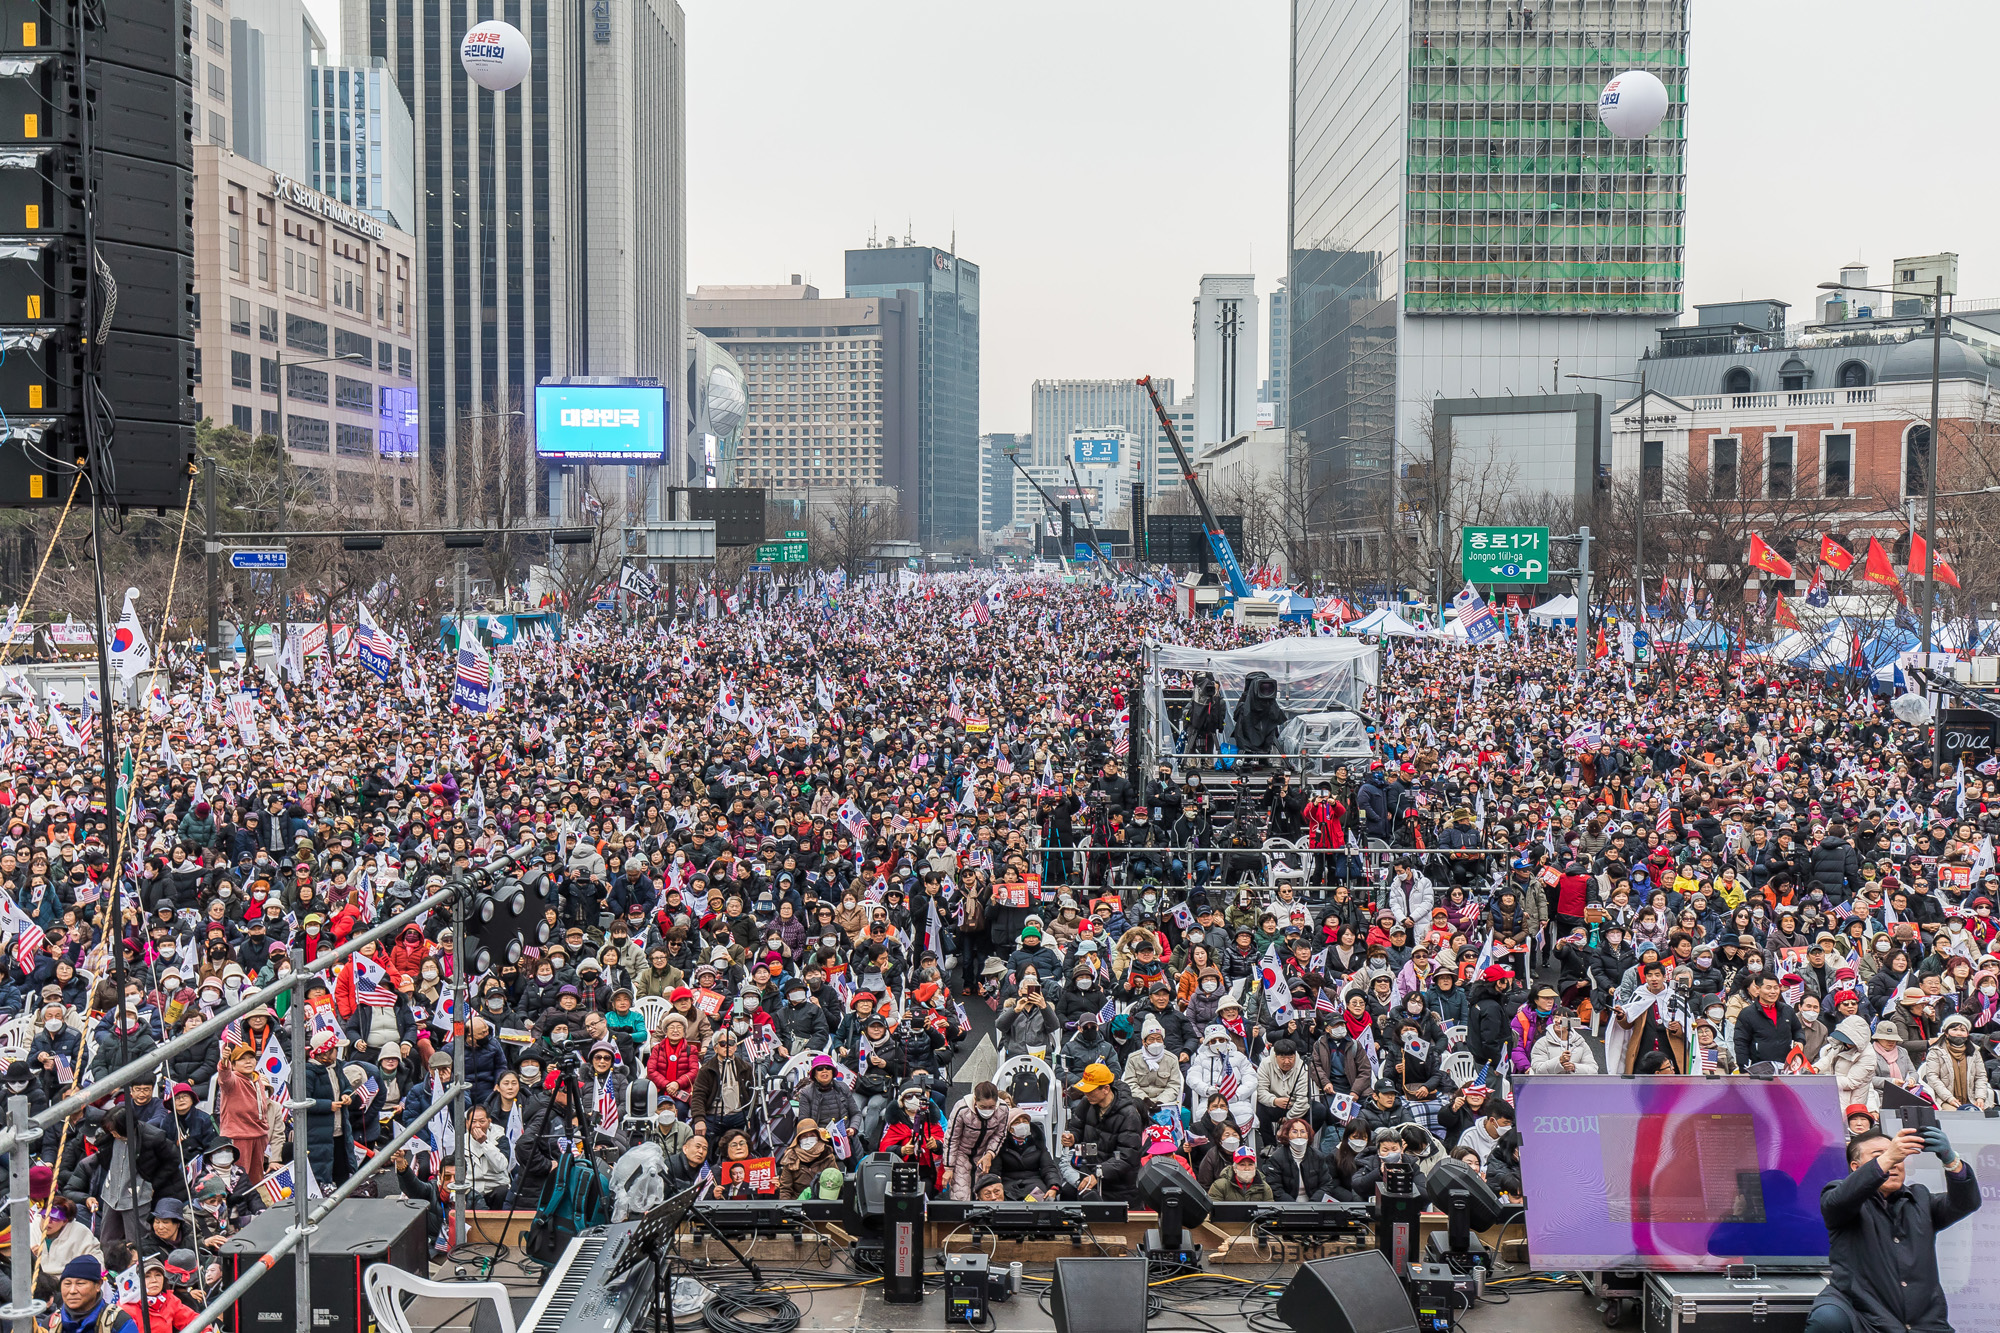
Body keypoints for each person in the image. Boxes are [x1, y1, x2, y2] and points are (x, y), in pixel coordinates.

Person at [1811, 1125, 1979, 1333]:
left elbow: (1966, 1203)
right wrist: (1888, 1157)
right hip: (1865, 1319)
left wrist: (1951, 1161)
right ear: (1856, 1166)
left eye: (1898, 1158)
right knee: (1827, 1320)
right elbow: (1839, 1201)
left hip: (1923, 1324)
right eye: (1879, 1156)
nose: (1894, 1163)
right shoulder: (1839, 1195)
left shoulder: (1921, 1199)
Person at [52, 1256, 137, 1333]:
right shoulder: (51, 1323)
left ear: (98, 1285)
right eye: (67, 1284)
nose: (72, 1291)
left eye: (80, 1283)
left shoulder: (118, 1322)